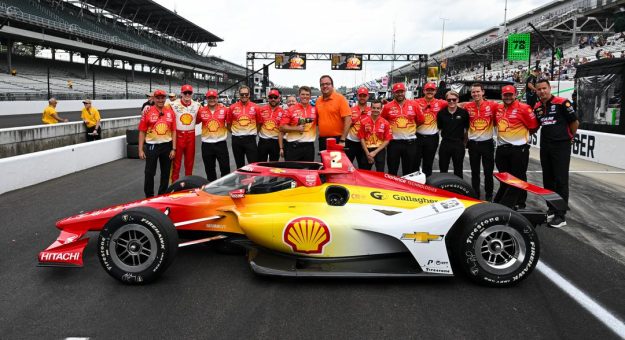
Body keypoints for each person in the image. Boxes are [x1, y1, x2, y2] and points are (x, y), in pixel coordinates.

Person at [534, 79, 579, 228]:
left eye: (544, 88)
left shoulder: (562, 102)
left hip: (561, 146)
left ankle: (561, 215)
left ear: (549, 88)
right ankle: (551, 209)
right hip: (545, 146)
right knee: (548, 180)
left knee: (561, 180)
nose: (542, 91)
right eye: (539, 89)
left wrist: (569, 137)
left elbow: (574, 122)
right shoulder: (538, 106)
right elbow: (537, 125)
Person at [494, 85, 539, 208]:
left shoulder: (524, 108)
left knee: (518, 177)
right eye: (505, 95)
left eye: (510, 95)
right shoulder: (498, 108)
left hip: (518, 149)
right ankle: (506, 200)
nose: (508, 97)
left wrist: (520, 138)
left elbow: (534, 126)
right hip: (502, 149)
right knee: (504, 177)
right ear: (502, 96)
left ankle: (518, 202)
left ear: (515, 95)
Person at [137, 89, 176, 197]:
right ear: (153, 98)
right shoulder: (147, 111)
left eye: (162, 98)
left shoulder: (170, 112)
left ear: (165, 99)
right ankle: (149, 196)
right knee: (149, 173)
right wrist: (140, 149)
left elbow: (173, 131)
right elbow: (142, 131)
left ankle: (162, 195)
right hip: (152, 146)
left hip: (167, 146)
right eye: (158, 98)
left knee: (165, 172)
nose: (160, 100)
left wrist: (173, 148)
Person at [463, 83, 499, 201]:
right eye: (473, 92)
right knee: (475, 172)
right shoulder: (468, 106)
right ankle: (475, 195)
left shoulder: (492, 105)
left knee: (488, 172)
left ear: (483, 92)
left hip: (487, 143)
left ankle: (489, 195)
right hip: (473, 144)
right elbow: (456, 104)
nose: (475, 94)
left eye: (478, 91)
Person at [381, 82, 423, 176]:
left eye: (401, 91)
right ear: (393, 93)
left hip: (410, 143)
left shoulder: (414, 105)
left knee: (408, 171)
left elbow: (421, 120)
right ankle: (393, 190)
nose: (400, 94)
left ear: (405, 92)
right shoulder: (387, 107)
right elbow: (382, 122)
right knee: (392, 170)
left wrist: (412, 128)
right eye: (397, 92)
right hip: (393, 143)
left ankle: (406, 190)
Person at [414, 82, 447, 176]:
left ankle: (427, 186)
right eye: (427, 90)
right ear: (424, 91)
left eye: (432, 90)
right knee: (414, 162)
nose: (429, 92)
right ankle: (414, 186)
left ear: (435, 91)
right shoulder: (416, 102)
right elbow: (402, 104)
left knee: (428, 163)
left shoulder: (440, 103)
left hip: (432, 138)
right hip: (417, 137)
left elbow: (455, 103)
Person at [169, 84, 201, 182]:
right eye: (185, 93)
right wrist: (148, 108)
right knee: (176, 163)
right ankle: (174, 185)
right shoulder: (172, 104)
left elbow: (202, 116)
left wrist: (221, 105)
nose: (187, 94)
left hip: (191, 135)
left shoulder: (197, 105)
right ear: (181, 93)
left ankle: (188, 184)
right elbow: (161, 110)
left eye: (189, 92)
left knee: (189, 163)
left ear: (192, 94)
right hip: (178, 136)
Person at [197, 89, 230, 182]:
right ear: (206, 99)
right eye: (209, 98)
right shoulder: (201, 111)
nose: (212, 100)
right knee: (210, 170)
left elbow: (230, 122)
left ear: (217, 98)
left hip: (221, 144)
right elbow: (195, 121)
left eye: (214, 98)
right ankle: (213, 191)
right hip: (206, 145)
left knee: (225, 169)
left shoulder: (224, 109)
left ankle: (225, 189)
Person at [279, 86, 317, 161]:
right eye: (303, 94)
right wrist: (296, 128)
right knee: (292, 171)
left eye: (307, 94)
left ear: (310, 96)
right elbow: (281, 127)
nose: (305, 96)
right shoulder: (290, 109)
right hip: (293, 147)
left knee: (308, 171)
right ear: (299, 95)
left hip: (309, 147)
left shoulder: (315, 109)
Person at [437, 91, 469, 178]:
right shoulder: (441, 113)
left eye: (454, 99)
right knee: (443, 170)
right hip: (445, 144)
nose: (451, 101)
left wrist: (464, 144)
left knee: (458, 170)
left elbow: (466, 130)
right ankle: (443, 190)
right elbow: (440, 128)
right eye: (449, 100)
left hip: (458, 144)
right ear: (446, 100)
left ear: (457, 100)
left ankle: (457, 191)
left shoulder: (463, 113)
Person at [315, 75, 352, 151]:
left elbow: (348, 120)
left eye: (327, 84)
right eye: (322, 84)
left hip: (338, 139)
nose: (325, 86)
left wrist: (342, 140)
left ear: (332, 85)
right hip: (322, 140)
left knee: (336, 163)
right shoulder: (318, 101)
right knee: (324, 162)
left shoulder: (340, 99)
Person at [228, 85, 259, 168]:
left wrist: (253, 132)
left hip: (250, 140)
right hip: (236, 140)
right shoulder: (232, 107)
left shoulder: (256, 107)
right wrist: (236, 132)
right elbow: (228, 124)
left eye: (246, 94)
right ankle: (241, 181)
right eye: (242, 94)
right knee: (239, 165)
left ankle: (254, 181)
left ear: (249, 94)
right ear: (239, 95)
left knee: (253, 165)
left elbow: (259, 123)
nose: (244, 96)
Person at [358, 100, 392, 172]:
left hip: (379, 150)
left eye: (378, 108)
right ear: (370, 108)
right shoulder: (363, 121)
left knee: (380, 173)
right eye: (374, 108)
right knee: (365, 173)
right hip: (366, 150)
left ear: (381, 109)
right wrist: (368, 154)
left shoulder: (386, 123)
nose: (375, 110)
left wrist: (375, 152)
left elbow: (387, 140)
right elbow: (361, 138)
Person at [346, 87, 372, 167]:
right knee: (348, 166)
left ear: (368, 96)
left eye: (364, 95)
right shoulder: (350, 109)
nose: (362, 98)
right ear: (357, 96)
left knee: (364, 167)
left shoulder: (371, 111)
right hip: (351, 142)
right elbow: (346, 125)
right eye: (360, 95)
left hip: (364, 143)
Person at [257, 88, 285, 162]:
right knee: (261, 164)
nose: (273, 99)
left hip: (275, 142)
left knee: (273, 165)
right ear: (268, 99)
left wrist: (281, 147)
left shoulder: (283, 112)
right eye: (271, 97)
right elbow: (257, 124)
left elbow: (282, 131)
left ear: (279, 99)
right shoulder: (261, 109)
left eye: (275, 97)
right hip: (263, 141)